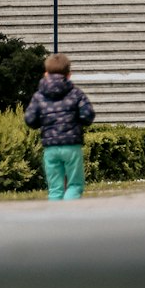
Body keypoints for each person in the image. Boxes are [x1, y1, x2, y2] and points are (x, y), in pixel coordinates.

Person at [24, 51, 95, 200]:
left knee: (55, 188)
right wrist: (77, 121)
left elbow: (30, 119)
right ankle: (69, 213)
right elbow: (87, 115)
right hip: (71, 145)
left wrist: (43, 122)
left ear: (46, 74)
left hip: (50, 147)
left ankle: (55, 216)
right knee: (75, 185)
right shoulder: (76, 94)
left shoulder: (39, 96)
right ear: (69, 75)